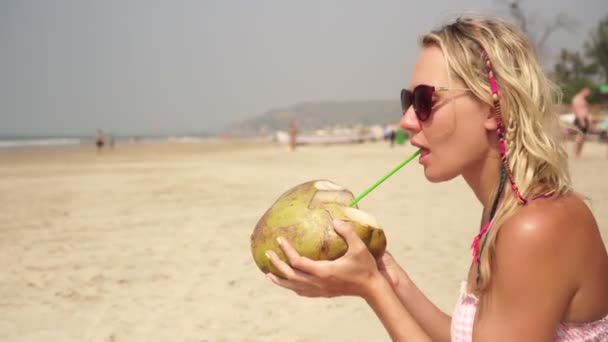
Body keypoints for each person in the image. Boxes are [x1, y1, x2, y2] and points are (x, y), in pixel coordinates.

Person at [264, 16, 608, 341]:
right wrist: (385, 272)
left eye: (425, 100)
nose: (407, 121)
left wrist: (372, 289)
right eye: (407, 101)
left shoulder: (536, 226)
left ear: (493, 108)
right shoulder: (504, 212)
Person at [572, 87, 593, 159]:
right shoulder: (577, 99)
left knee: (583, 138)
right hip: (580, 119)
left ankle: (579, 154)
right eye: (587, 92)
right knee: (579, 138)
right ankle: (576, 154)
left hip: (585, 119)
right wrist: (582, 121)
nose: (588, 94)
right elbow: (577, 110)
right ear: (583, 91)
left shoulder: (583, 99)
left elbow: (586, 111)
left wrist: (589, 122)